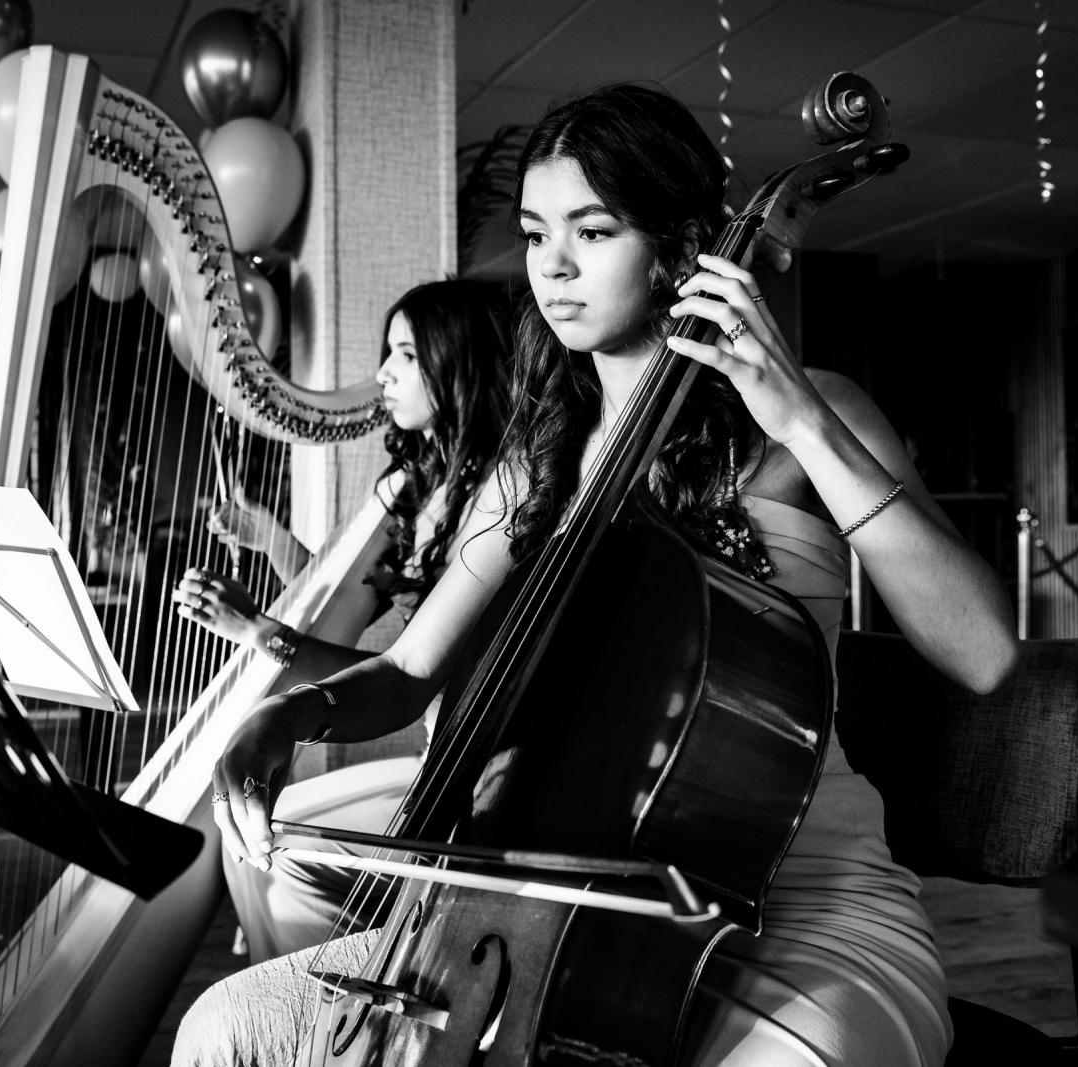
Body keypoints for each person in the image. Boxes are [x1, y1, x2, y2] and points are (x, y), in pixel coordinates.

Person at [173, 82, 1018, 1067]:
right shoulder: (535, 458)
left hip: (795, 904)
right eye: (535, 234)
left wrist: (796, 417)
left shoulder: (807, 419)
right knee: (222, 1027)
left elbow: (985, 655)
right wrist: (284, 714)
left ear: (677, 244)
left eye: (594, 230)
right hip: (552, 900)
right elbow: (408, 671)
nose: (553, 268)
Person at [171, 277, 513, 961]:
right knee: (253, 834)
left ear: (461, 363)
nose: (382, 373)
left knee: (273, 847)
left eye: (407, 355)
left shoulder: (503, 493)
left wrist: (255, 631)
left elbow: (397, 669)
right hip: (429, 746)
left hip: (476, 763)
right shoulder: (412, 487)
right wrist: (269, 540)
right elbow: (337, 627)